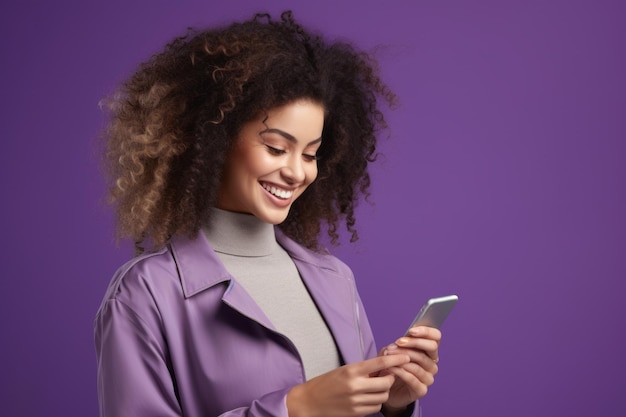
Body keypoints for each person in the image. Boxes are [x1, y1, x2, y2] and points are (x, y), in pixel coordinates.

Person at [95, 11, 442, 417]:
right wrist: (296, 408)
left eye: (310, 154)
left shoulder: (334, 280)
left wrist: (393, 405)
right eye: (276, 148)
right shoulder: (146, 294)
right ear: (215, 140)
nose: (297, 171)